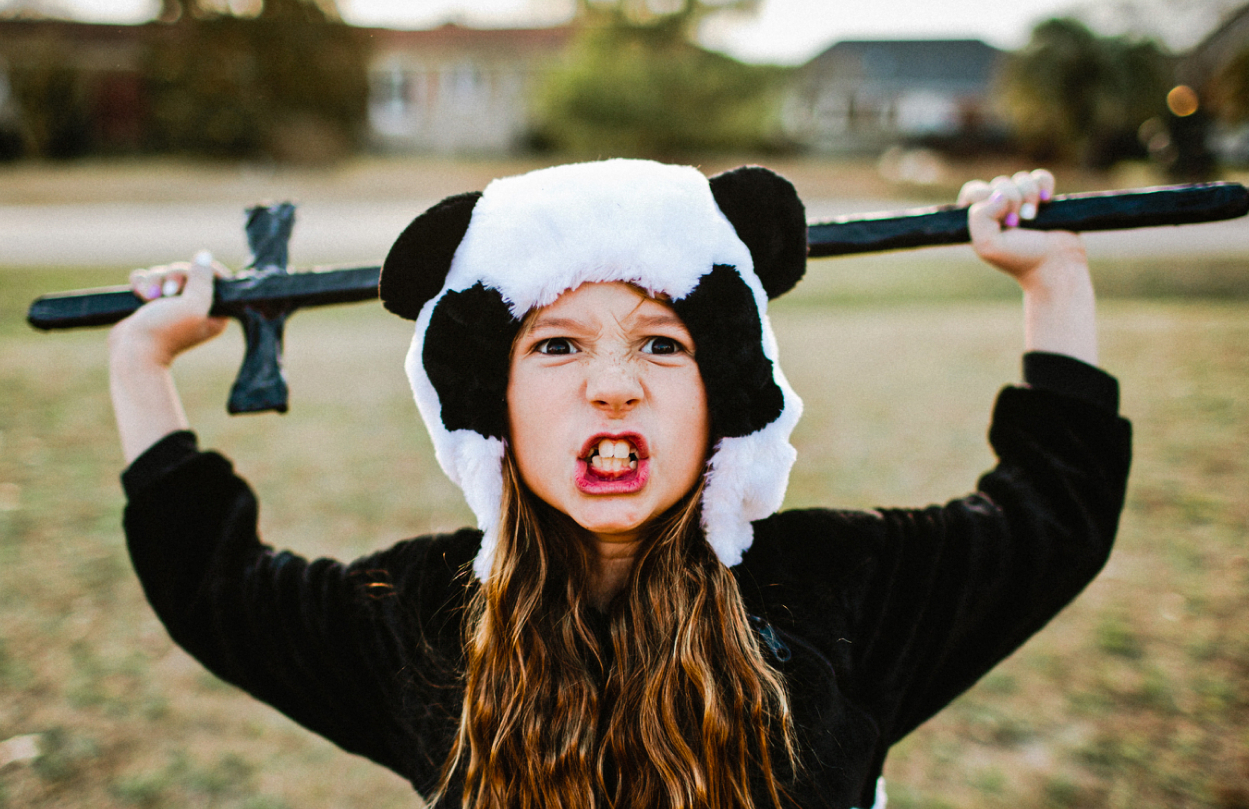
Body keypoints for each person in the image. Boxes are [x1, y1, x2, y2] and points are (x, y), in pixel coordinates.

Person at [109, 160, 1130, 809]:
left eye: (660, 344)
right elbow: (221, 588)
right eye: (555, 345)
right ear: (489, 397)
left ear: (726, 390)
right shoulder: (425, 622)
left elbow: (1048, 520)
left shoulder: (836, 591)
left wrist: (1055, 284)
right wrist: (141, 367)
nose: (610, 386)